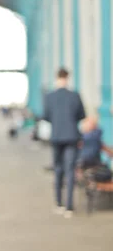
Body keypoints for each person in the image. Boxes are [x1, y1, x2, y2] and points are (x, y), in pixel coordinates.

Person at [43, 67, 86, 218]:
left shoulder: (49, 97)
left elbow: (46, 116)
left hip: (56, 137)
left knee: (58, 169)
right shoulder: (75, 95)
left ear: (56, 78)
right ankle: (69, 207)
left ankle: (58, 203)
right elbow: (82, 115)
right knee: (70, 170)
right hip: (72, 137)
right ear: (68, 78)